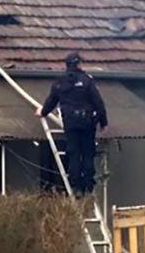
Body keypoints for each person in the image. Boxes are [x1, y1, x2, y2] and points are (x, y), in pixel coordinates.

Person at [36, 52, 108, 196]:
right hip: (87, 122)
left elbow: (52, 101)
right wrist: (103, 122)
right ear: (79, 63)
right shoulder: (87, 80)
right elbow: (98, 102)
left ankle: (76, 187)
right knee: (87, 152)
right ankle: (87, 186)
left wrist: (43, 112)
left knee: (73, 153)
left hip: (70, 122)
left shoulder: (60, 82)